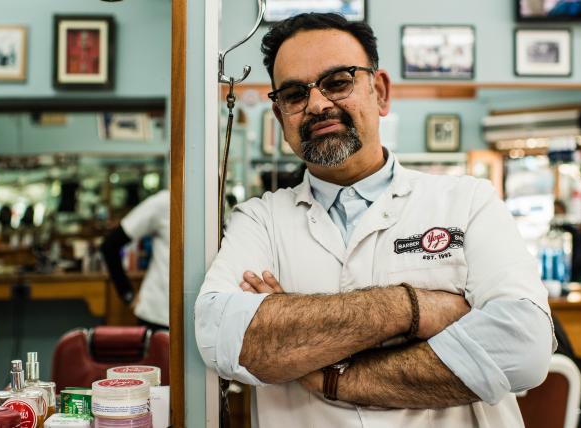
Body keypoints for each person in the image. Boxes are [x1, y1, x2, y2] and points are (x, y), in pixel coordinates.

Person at [195, 13, 555, 427]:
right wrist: (414, 307)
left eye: (338, 82)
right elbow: (220, 337)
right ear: (280, 118)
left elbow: (525, 348)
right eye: (295, 94)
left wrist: (328, 375)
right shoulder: (260, 220)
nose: (317, 104)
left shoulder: (468, 202)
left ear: (380, 92)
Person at [101, 190, 170, 331]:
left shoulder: (215, 204)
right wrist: (128, 295)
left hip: (198, 315)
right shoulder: (163, 203)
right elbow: (110, 246)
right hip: (157, 314)